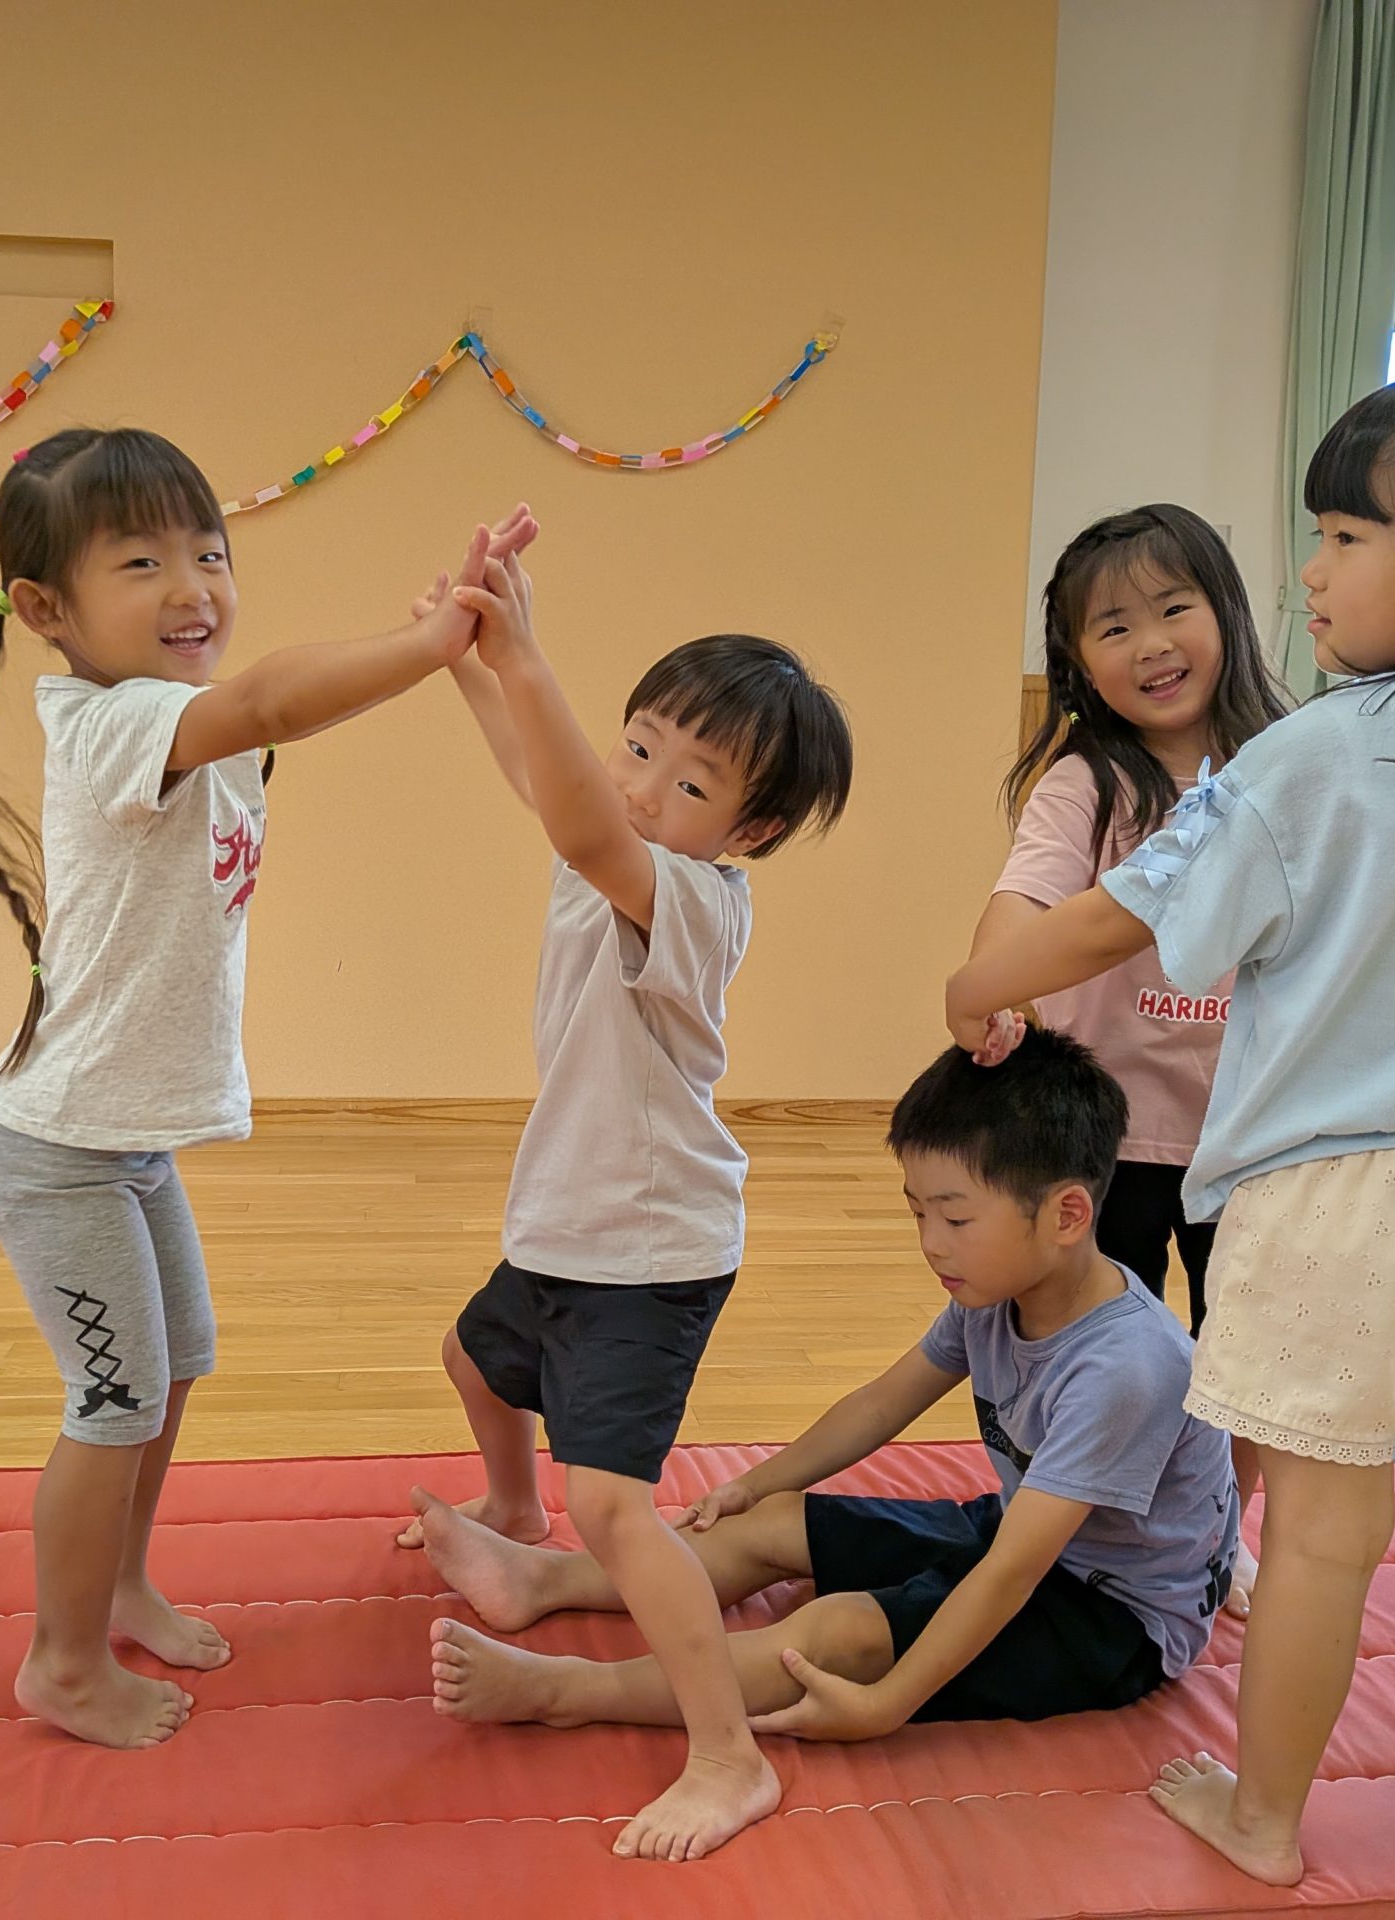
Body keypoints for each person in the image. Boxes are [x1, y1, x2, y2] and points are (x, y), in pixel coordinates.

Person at [945, 372, 1395, 1888]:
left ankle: (1264, 1819)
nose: (1312, 570)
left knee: (1327, 1531)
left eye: (1346, 534)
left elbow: (1116, 918)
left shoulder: (1310, 752)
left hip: (1342, 1193)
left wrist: (979, 980)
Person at [0, 425, 533, 1749]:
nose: (192, 586)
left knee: (173, 1374)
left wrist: (433, 648)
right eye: (140, 562)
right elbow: (267, 702)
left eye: (208, 552)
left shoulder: (170, 720)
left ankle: (120, 1586)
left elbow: (261, 713)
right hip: (58, 1152)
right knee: (112, 1405)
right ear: (44, 609)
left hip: (124, 1141)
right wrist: (428, 645)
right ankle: (60, 1661)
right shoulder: (112, 722)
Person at [410, 1030, 1238, 1762]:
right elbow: (880, 1405)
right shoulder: (999, 1294)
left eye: (954, 1220)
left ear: (1066, 1215)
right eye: (917, 1214)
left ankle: (563, 1691)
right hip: (1030, 1533)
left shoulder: (1124, 1370)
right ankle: (544, 1582)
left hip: (1111, 1618)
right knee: (769, 1522)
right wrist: (756, 1484)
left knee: (833, 1635)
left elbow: (1010, 1574)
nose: (931, 1244)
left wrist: (885, 1703)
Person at [398, 539, 853, 1859]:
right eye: (637, 747)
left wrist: (522, 653)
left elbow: (583, 818)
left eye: (689, 781)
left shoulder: (692, 897)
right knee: (473, 1361)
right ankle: (512, 1521)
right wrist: (469, 663)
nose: (644, 787)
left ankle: (728, 1757)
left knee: (616, 1506)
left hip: (649, 1248)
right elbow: (547, 784)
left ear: (749, 832)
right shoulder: (606, 845)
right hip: (570, 1217)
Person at [980, 504, 1287, 1616]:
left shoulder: (1286, 768)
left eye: (1172, 609)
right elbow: (1023, 897)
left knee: (1241, 1353)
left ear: (1226, 614)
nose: (1151, 644)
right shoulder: (1085, 786)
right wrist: (991, 979)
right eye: (1114, 627)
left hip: (1250, 1133)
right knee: (1101, 1342)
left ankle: (1216, 1528)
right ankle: (1085, 1516)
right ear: (1077, 662)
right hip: (1106, 1139)